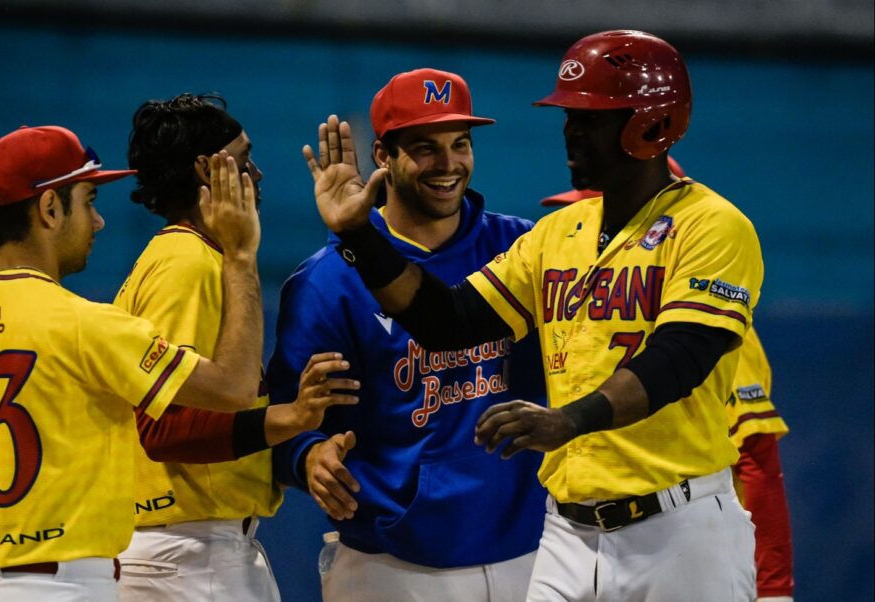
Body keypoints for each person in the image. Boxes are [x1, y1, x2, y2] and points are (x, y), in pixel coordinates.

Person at [304, 30, 762, 601]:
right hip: (567, 534)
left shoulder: (712, 225)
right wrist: (358, 237)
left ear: (651, 123)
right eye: (569, 117)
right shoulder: (557, 233)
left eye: (590, 120)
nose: (570, 134)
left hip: (679, 530)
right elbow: (449, 322)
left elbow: (681, 356)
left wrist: (568, 420)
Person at [0, 124, 265, 602]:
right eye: (88, 200)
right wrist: (241, 254)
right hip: (66, 588)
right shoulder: (87, 325)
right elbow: (233, 388)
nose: (98, 221)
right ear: (49, 209)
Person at [268, 68, 547, 602]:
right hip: (393, 567)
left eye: (460, 144)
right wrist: (306, 457)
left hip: (531, 552)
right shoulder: (328, 281)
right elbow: (279, 421)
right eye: (424, 147)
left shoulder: (524, 247)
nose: (448, 165)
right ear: (382, 156)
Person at [114, 93, 359, 602]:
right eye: (245, 159)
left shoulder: (184, 258)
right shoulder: (187, 264)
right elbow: (166, 430)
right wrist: (292, 418)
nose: (260, 175)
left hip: (194, 551)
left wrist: (306, 454)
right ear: (208, 170)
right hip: (186, 556)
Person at [542, 160, 796, 602]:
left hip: (681, 531)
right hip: (583, 539)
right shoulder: (573, 312)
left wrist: (774, 591)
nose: (596, 233)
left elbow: (756, 456)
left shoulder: (713, 323)